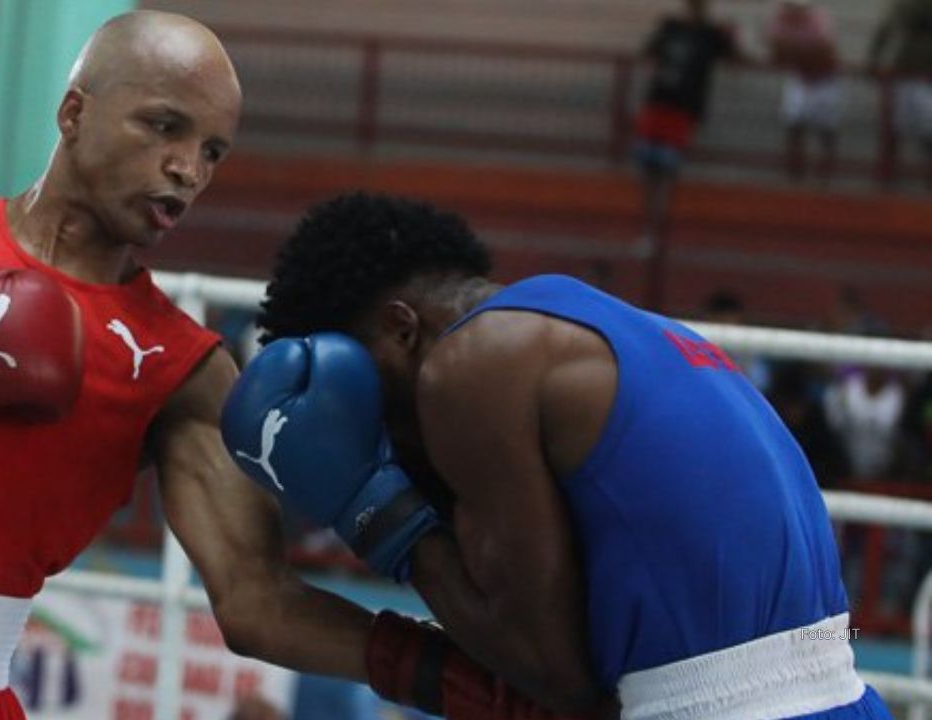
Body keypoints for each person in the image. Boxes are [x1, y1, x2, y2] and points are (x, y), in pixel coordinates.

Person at [0, 12, 561, 720]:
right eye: (164, 127)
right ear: (74, 114)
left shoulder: (181, 370)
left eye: (212, 151)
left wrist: (454, 679)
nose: (186, 169)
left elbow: (256, 602)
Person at [221, 192, 893, 718]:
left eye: (384, 410)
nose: (398, 437)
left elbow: (554, 674)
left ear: (401, 329)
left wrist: (375, 509)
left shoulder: (468, 364)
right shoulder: (609, 324)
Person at [633, 0, 739, 247]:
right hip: (658, 105)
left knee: (667, 172)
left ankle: (660, 229)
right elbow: (648, 52)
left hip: (681, 112)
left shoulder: (711, 35)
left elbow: (735, 59)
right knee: (650, 170)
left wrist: (731, 36)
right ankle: (649, 227)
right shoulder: (671, 27)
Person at [767, 0, 842, 186]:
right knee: (793, 124)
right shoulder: (780, 18)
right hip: (800, 78)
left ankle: (825, 177)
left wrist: (794, 52)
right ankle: (795, 176)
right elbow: (775, 51)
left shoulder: (818, 19)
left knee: (826, 129)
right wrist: (801, 53)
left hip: (824, 80)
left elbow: (824, 51)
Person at [869, 0, 932, 188]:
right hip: (908, 72)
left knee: (926, 136)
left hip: (920, 74)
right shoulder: (907, 5)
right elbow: (886, 29)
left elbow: (886, 29)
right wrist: (874, 59)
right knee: (895, 131)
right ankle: (888, 182)